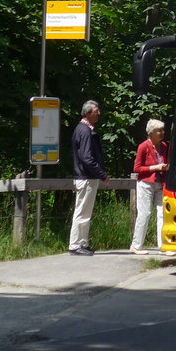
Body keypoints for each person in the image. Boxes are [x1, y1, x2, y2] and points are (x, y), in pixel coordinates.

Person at [69, 100, 108, 255]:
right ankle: (75, 245)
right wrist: (102, 174)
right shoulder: (84, 131)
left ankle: (83, 243)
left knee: (86, 213)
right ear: (87, 113)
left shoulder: (84, 129)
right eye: (95, 111)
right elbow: (86, 158)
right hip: (86, 177)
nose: (99, 113)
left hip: (87, 177)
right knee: (81, 212)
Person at [131, 118, 169, 253]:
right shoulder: (143, 146)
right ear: (151, 133)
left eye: (163, 130)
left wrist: (166, 167)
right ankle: (136, 246)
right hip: (145, 184)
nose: (162, 132)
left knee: (162, 214)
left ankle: (163, 245)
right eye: (159, 130)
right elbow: (137, 168)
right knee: (145, 213)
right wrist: (155, 167)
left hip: (161, 183)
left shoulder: (165, 146)